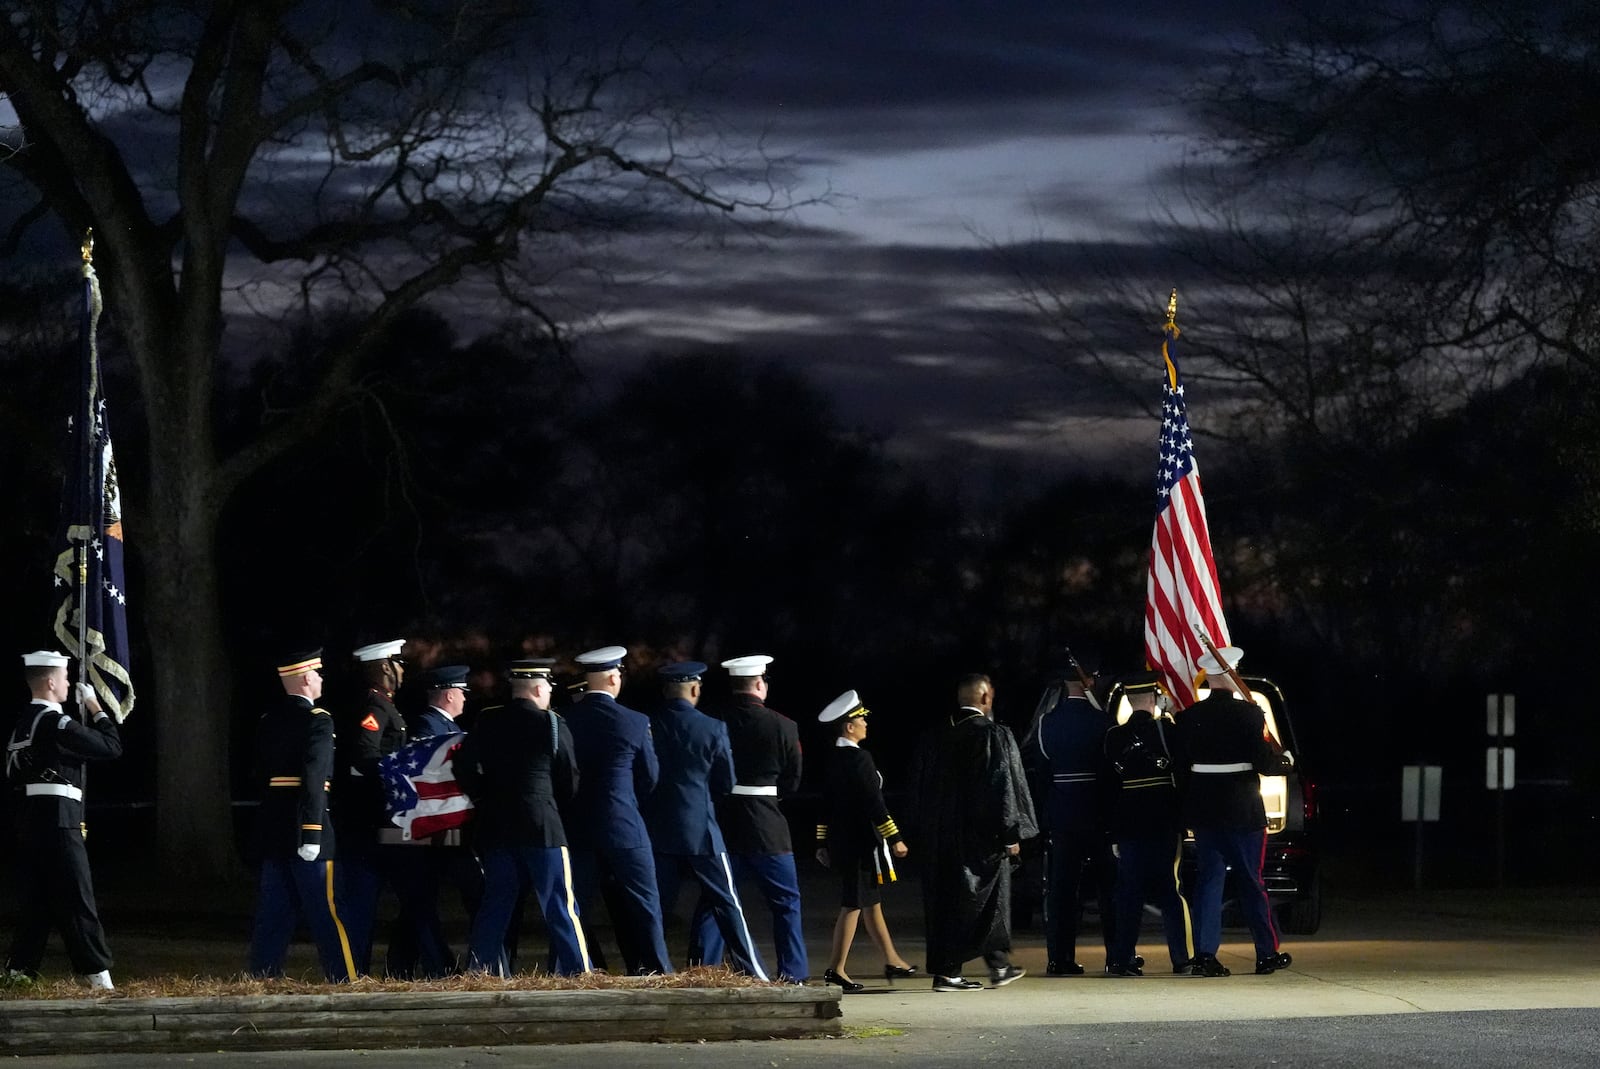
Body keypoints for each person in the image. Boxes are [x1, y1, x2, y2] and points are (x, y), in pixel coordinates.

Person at [455, 658, 591, 976]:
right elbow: (569, 777)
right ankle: (577, 971)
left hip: (495, 826)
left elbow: (463, 766)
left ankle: (480, 970)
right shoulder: (552, 723)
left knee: (496, 902)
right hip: (542, 825)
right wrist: (550, 803)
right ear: (540, 688)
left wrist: (482, 798)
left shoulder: (487, 720)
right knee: (559, 902)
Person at [1172, 645, 1296, 977]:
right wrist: (1284, 763)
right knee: (1251, 881)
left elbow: (1181, 771)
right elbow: (1265, 764)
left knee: (1209, 883)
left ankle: (1205, 955)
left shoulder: (1188, 718)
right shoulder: (1250, 714)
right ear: (1233, 672)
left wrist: (1187, 812)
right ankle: (1265, 952)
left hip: (1205, 810)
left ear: (1209, 677)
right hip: (1242, 809)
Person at [910, 672, 1036, 992]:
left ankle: (991, 967)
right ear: (984, 698)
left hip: (939, 838)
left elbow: (919, 790)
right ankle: (960, 972)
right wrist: (1010, 833)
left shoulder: (934, 737)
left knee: (947, 903)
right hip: (980, 839)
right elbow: (1001, 787)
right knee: (986, 902)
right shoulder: (992, 735)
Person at [4, 650, 122, 989]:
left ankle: (18, 972)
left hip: (30, 822)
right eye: (66, 678)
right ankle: (98, 976)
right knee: (79, 898)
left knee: (38, 903)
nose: (70, 684)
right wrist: (96, 709)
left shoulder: (23, 723)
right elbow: (111, 747)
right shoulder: (55, 723)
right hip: (58, 822)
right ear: (51, 681)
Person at [645, 661, 767, 979]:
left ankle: (655, 970)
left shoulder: (648, 724)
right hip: (701, 828)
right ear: (695, 689)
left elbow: (642, 777)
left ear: (664, 691)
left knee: (655, 907)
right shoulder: (712, 727)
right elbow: (725, 782)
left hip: (658, 829)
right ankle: (753, 971)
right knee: (728, 903)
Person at [691, 653, 808, 983]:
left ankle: (704, 969)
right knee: (786, 903)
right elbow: (792, 780)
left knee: (717, 900)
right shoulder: (784, 725)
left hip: (723, 823)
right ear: (759, 684)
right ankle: (793, 973)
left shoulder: (713, 720)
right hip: (768, 826)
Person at [245, 648, 357, 982]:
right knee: (327, 912)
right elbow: (313, 777)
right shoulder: (318, 720)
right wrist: (311, 830)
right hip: (304, 826)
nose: (321, 679)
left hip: (273, 828)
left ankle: (262, 978)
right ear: (307, 678)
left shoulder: (269, 720)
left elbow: (260, 775)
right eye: (318, 674)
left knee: (273, 913)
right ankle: (344, 979)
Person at [564, 645, 673, 975]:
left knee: (574, 905)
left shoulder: (564, 721)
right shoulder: (635, 721)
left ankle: (576, 968)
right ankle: (657, 969)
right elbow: (650, 777)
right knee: (645, 904)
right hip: (623, 824)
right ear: (614, 678)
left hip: (578, 826)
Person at [814, 689, 916, 993]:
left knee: (871, 904)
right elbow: (875, 803)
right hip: (861, 845)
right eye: (861, 720)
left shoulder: (833, 759)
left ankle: (892, 959)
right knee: (853, 905)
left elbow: (825, 805)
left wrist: (821, 843)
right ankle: (836, 969)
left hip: (843, 843)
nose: (865, 724)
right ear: (849, 726)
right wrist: (895, 837)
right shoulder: (859, 758)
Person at [1020, 661, 1117, 976]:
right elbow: (1108, 775)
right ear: (1086, 680)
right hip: (1098, 814)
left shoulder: (1048, 723)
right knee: (1108, 889)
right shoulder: (1102, 721)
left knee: (1062, 890)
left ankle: (1059, 958)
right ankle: (1116, 956)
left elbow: (1044, 776)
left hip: (1063, 814)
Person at [387, 663, 482, 978]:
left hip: (445, 831)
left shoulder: (442, 727)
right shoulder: (427, 728)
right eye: (462, 693)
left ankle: (406, 964)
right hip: (436, 832)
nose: (466, 699)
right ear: (450, 695)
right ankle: (430, 964)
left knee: (421, 901)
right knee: (428, 899)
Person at [1102, 670, 1194, 976]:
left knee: (1128, 894)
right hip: (1164, 821)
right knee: (1170, 891)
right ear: (1155, 698)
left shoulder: (1114, 736)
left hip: (1128, 824)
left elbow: (1110, 787)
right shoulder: (1168, 731)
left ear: (1129, 700)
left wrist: (1113, 831)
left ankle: (1121, 959)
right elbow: (1183, 774)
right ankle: (1182, 959)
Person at [333, 638, 410, 976]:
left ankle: (361, 968)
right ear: (385, 668)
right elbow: (367, 754)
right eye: (399, 663)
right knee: (362, 900)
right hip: (371, 820)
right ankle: (353, 970)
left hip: (372, 820)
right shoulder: (376, 706)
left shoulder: (381, 703)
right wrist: (396, 784)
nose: (403, 670)